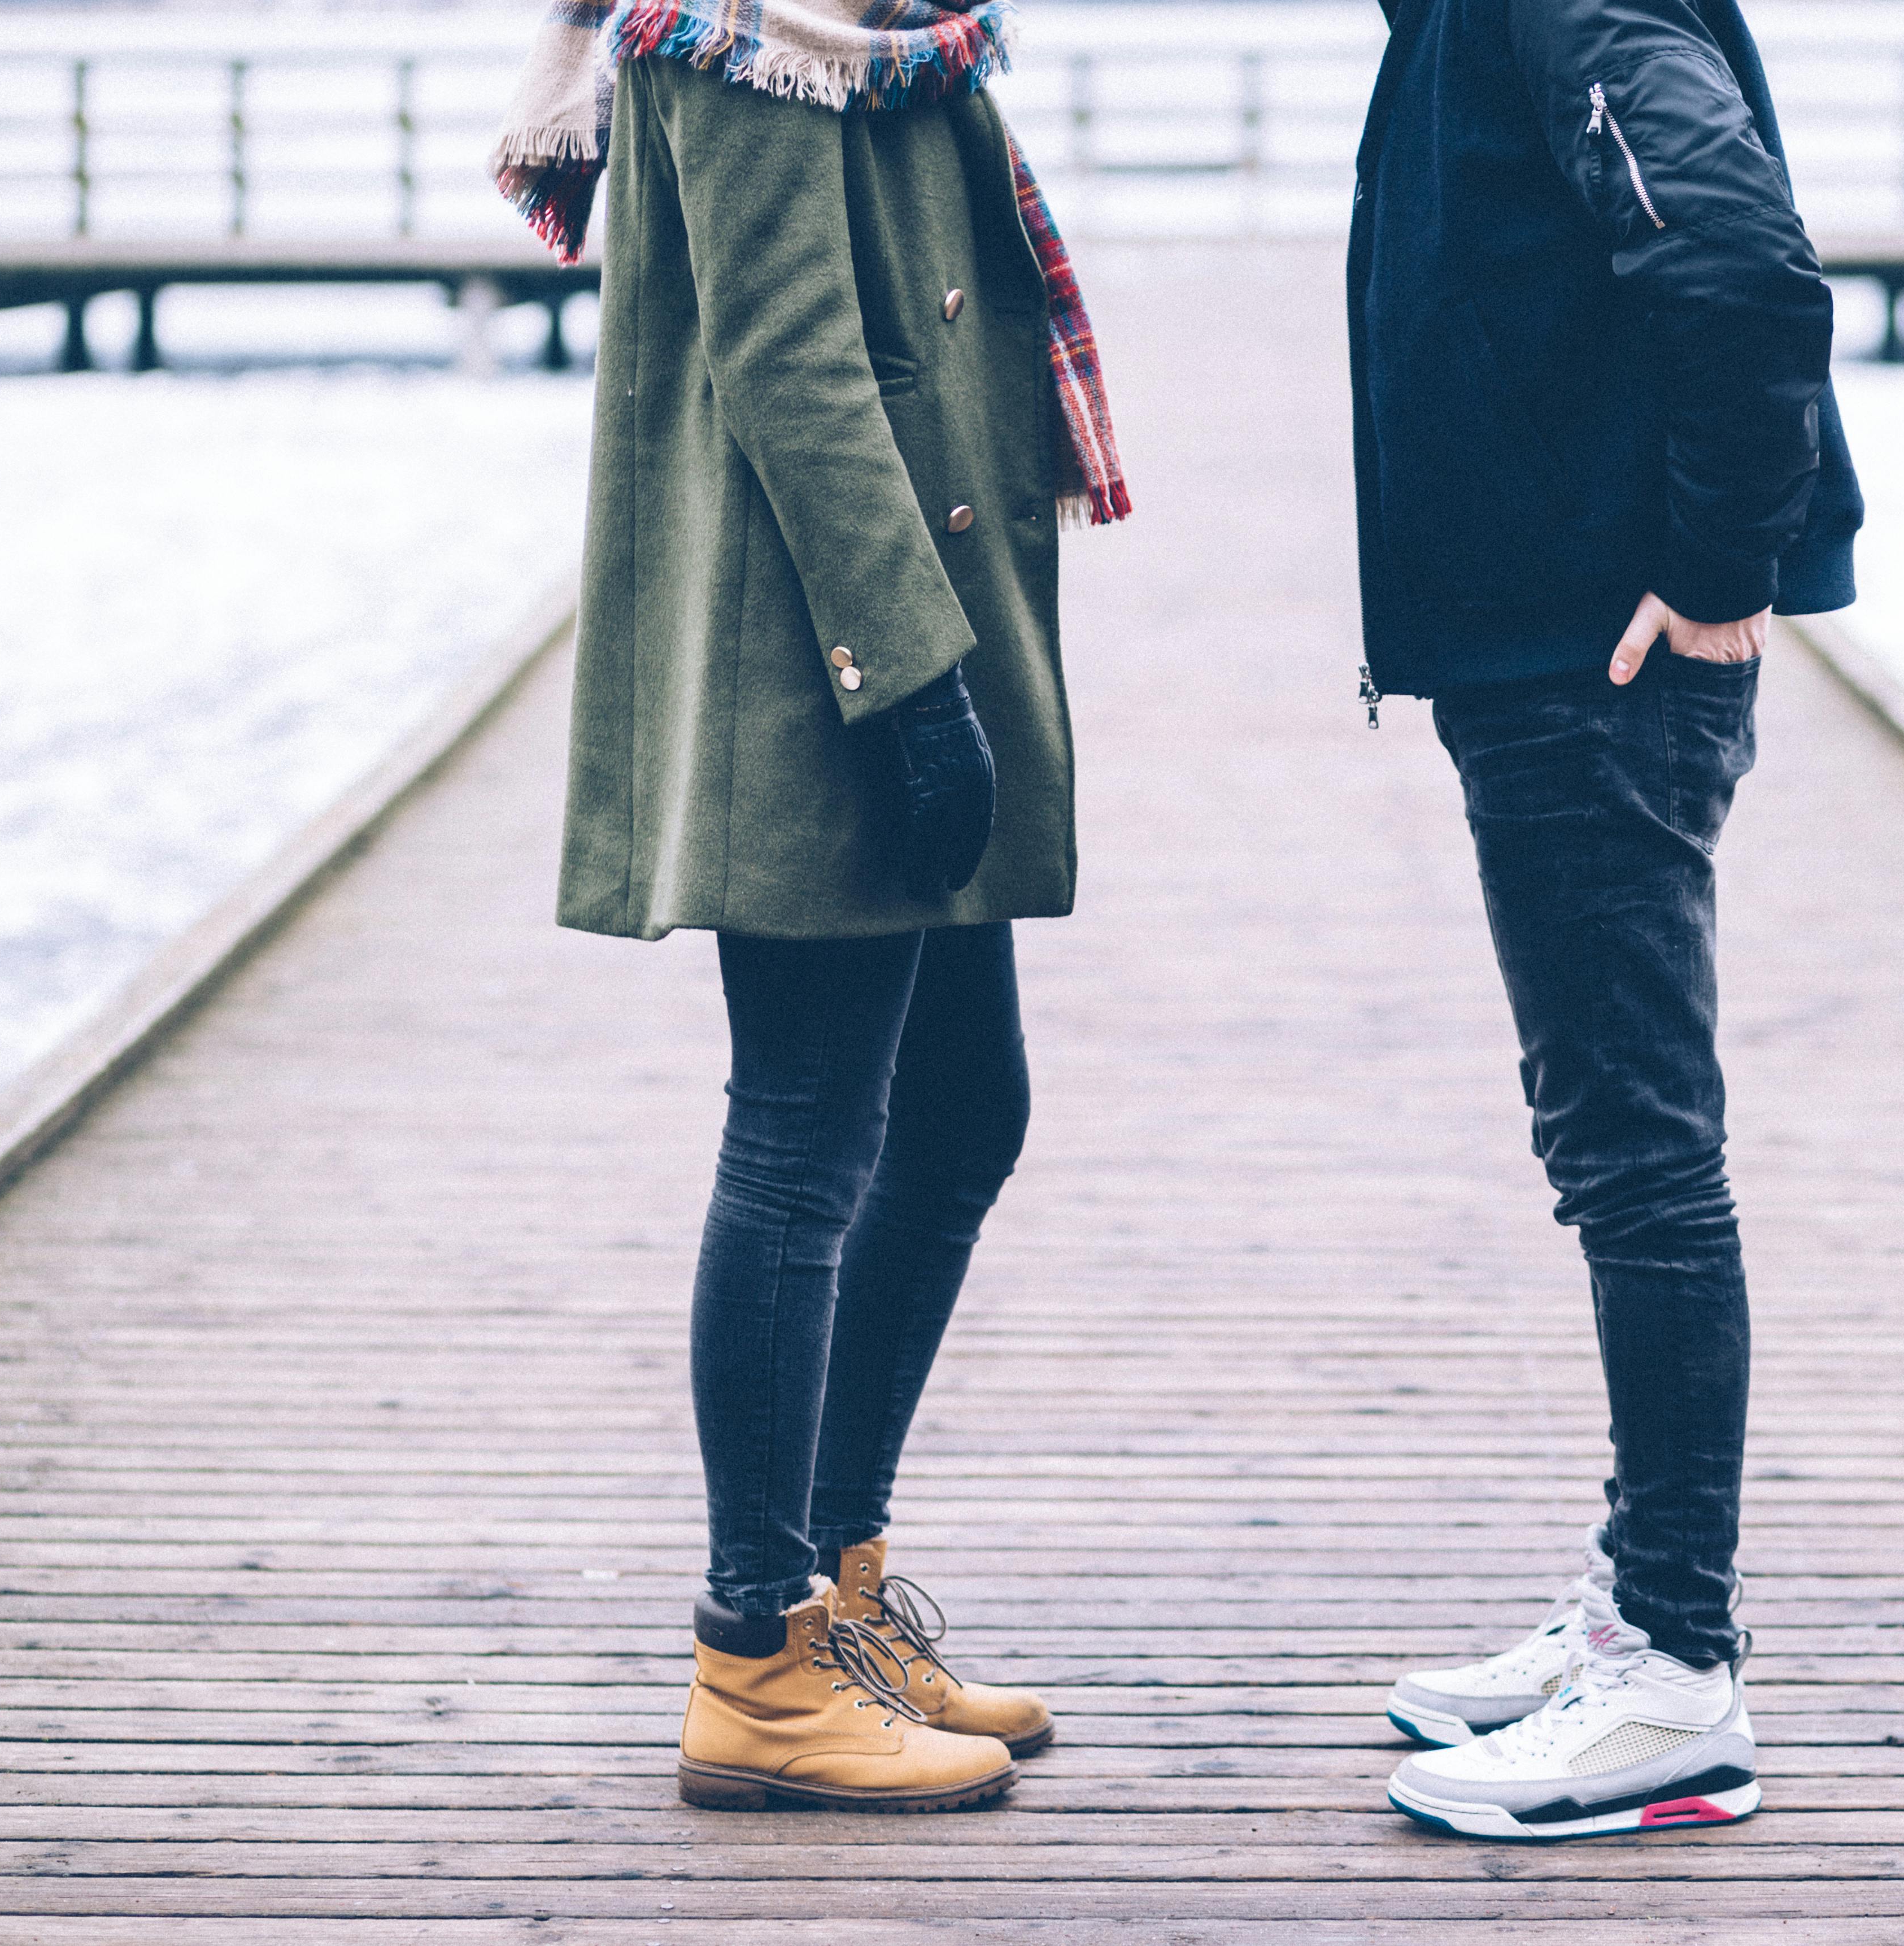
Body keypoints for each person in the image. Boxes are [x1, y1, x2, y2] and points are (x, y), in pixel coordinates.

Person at [490, 0, 1130, 1814]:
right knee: (803, 1136)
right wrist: (913, 683)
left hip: (910, 629)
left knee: (961, 1110)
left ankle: (835, 1588)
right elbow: (788, 351)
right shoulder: (749, 31)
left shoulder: (885, 30)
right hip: (825, 658)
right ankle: (755, 1657)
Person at [1345, 0, 1863, 1841]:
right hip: (1547, 644)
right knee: (1613, 1145)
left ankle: (1675, 1682)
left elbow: (1737, 263)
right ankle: (1642, 1611)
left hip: (1600, 657)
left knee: (1639, 1158)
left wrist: (1722, 569)